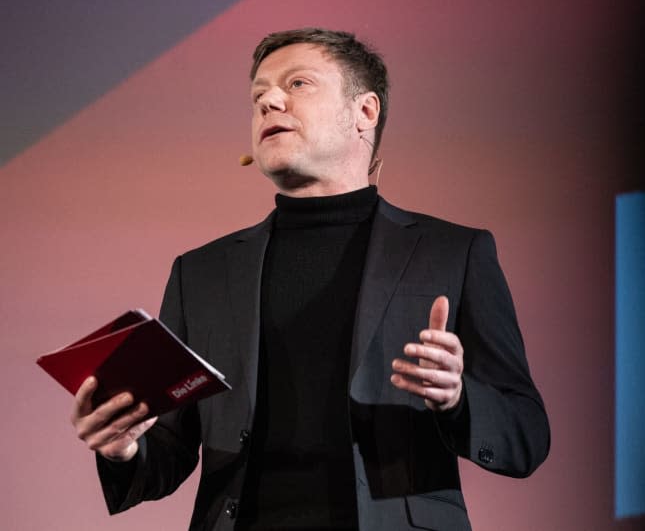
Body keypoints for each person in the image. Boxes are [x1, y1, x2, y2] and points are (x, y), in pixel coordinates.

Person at [70, 28, 550, 530]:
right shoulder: (201, 272)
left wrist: (457, 399)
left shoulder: (454, 252)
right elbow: (167, 449)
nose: (270, 101)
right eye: (258, 95)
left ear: (365, 112)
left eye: (297, 84)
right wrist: (124, 447)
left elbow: (526, 436)